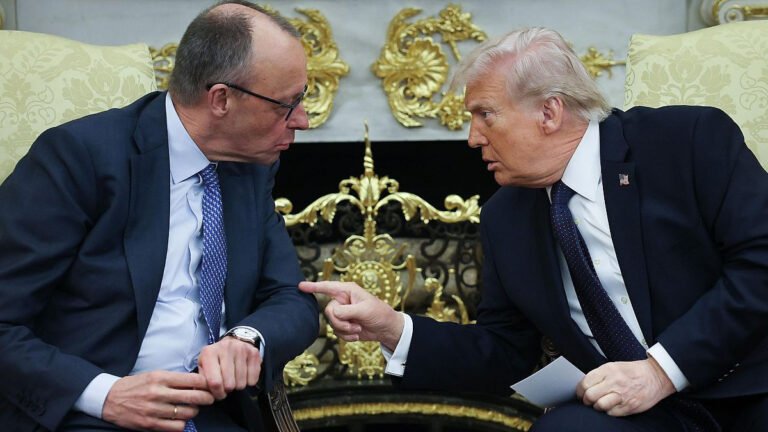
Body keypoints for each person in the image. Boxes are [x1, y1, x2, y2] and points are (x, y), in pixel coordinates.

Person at [300, 27, 768, 431]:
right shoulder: (505, 217)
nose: (472, 138)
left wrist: (661, 371)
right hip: (637, 413)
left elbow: (759, 263)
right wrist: (392, 327)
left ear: (549, 112)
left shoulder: (685, 141)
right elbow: (504, 349)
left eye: (485, 114)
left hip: (746, 384)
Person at [0, 2, 319, 431]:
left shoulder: (250, 168)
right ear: (221, 99)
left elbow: (292, 298)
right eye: (286, 104)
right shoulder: (81, 158)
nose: (303, 120)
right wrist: (105, 394)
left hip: (211, 414)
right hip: (89, 413)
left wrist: (247, 338)